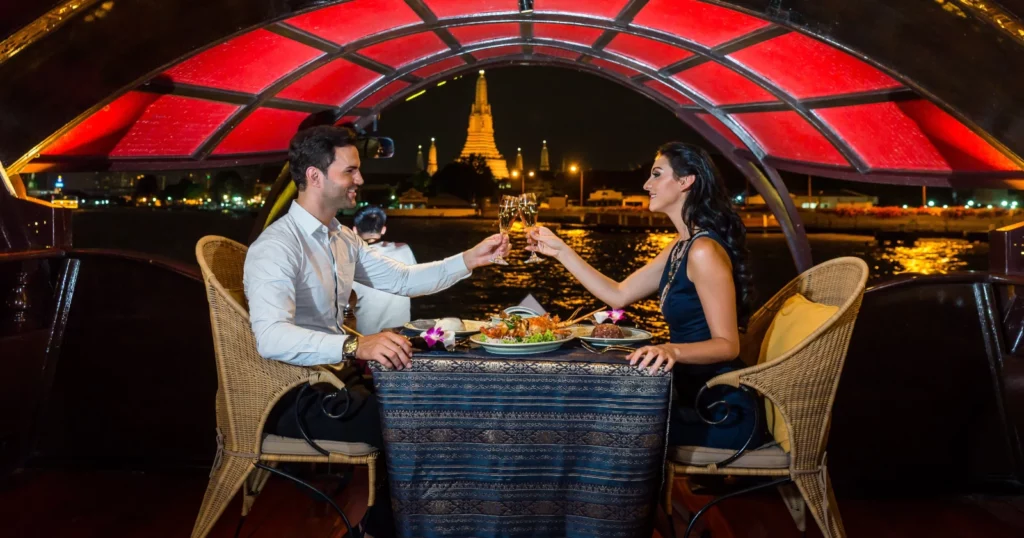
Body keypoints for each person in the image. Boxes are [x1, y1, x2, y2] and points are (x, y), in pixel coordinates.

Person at [243, 125, 509, 538]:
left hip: (335, 385)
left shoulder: (341, 238)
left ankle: (384, 526)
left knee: (435, 401)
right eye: (351, 171)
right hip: (292, 399)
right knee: (422, 423)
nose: (361, 180)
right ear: (315, 176)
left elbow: (402, 280)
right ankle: (384, 529)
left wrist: (471, 259)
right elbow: (271, 337)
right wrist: (357, 343)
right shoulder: (277, 246)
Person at [526, 142, 764, 450]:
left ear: (685, 181)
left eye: (656, 174)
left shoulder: (703, 250)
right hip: (685, 395)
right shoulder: (679, 246)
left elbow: (727, 345)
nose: (646, 184)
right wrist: (562, 252)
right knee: (594, 414)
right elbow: (618, 294)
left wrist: (671, 350)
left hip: (718, 410)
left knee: (603, 425)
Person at [350, 205, 417, 334]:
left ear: (354, 230)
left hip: (367, 340)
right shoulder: (404, 249)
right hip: (400, 335)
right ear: (383, 229)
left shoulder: (352, 259)